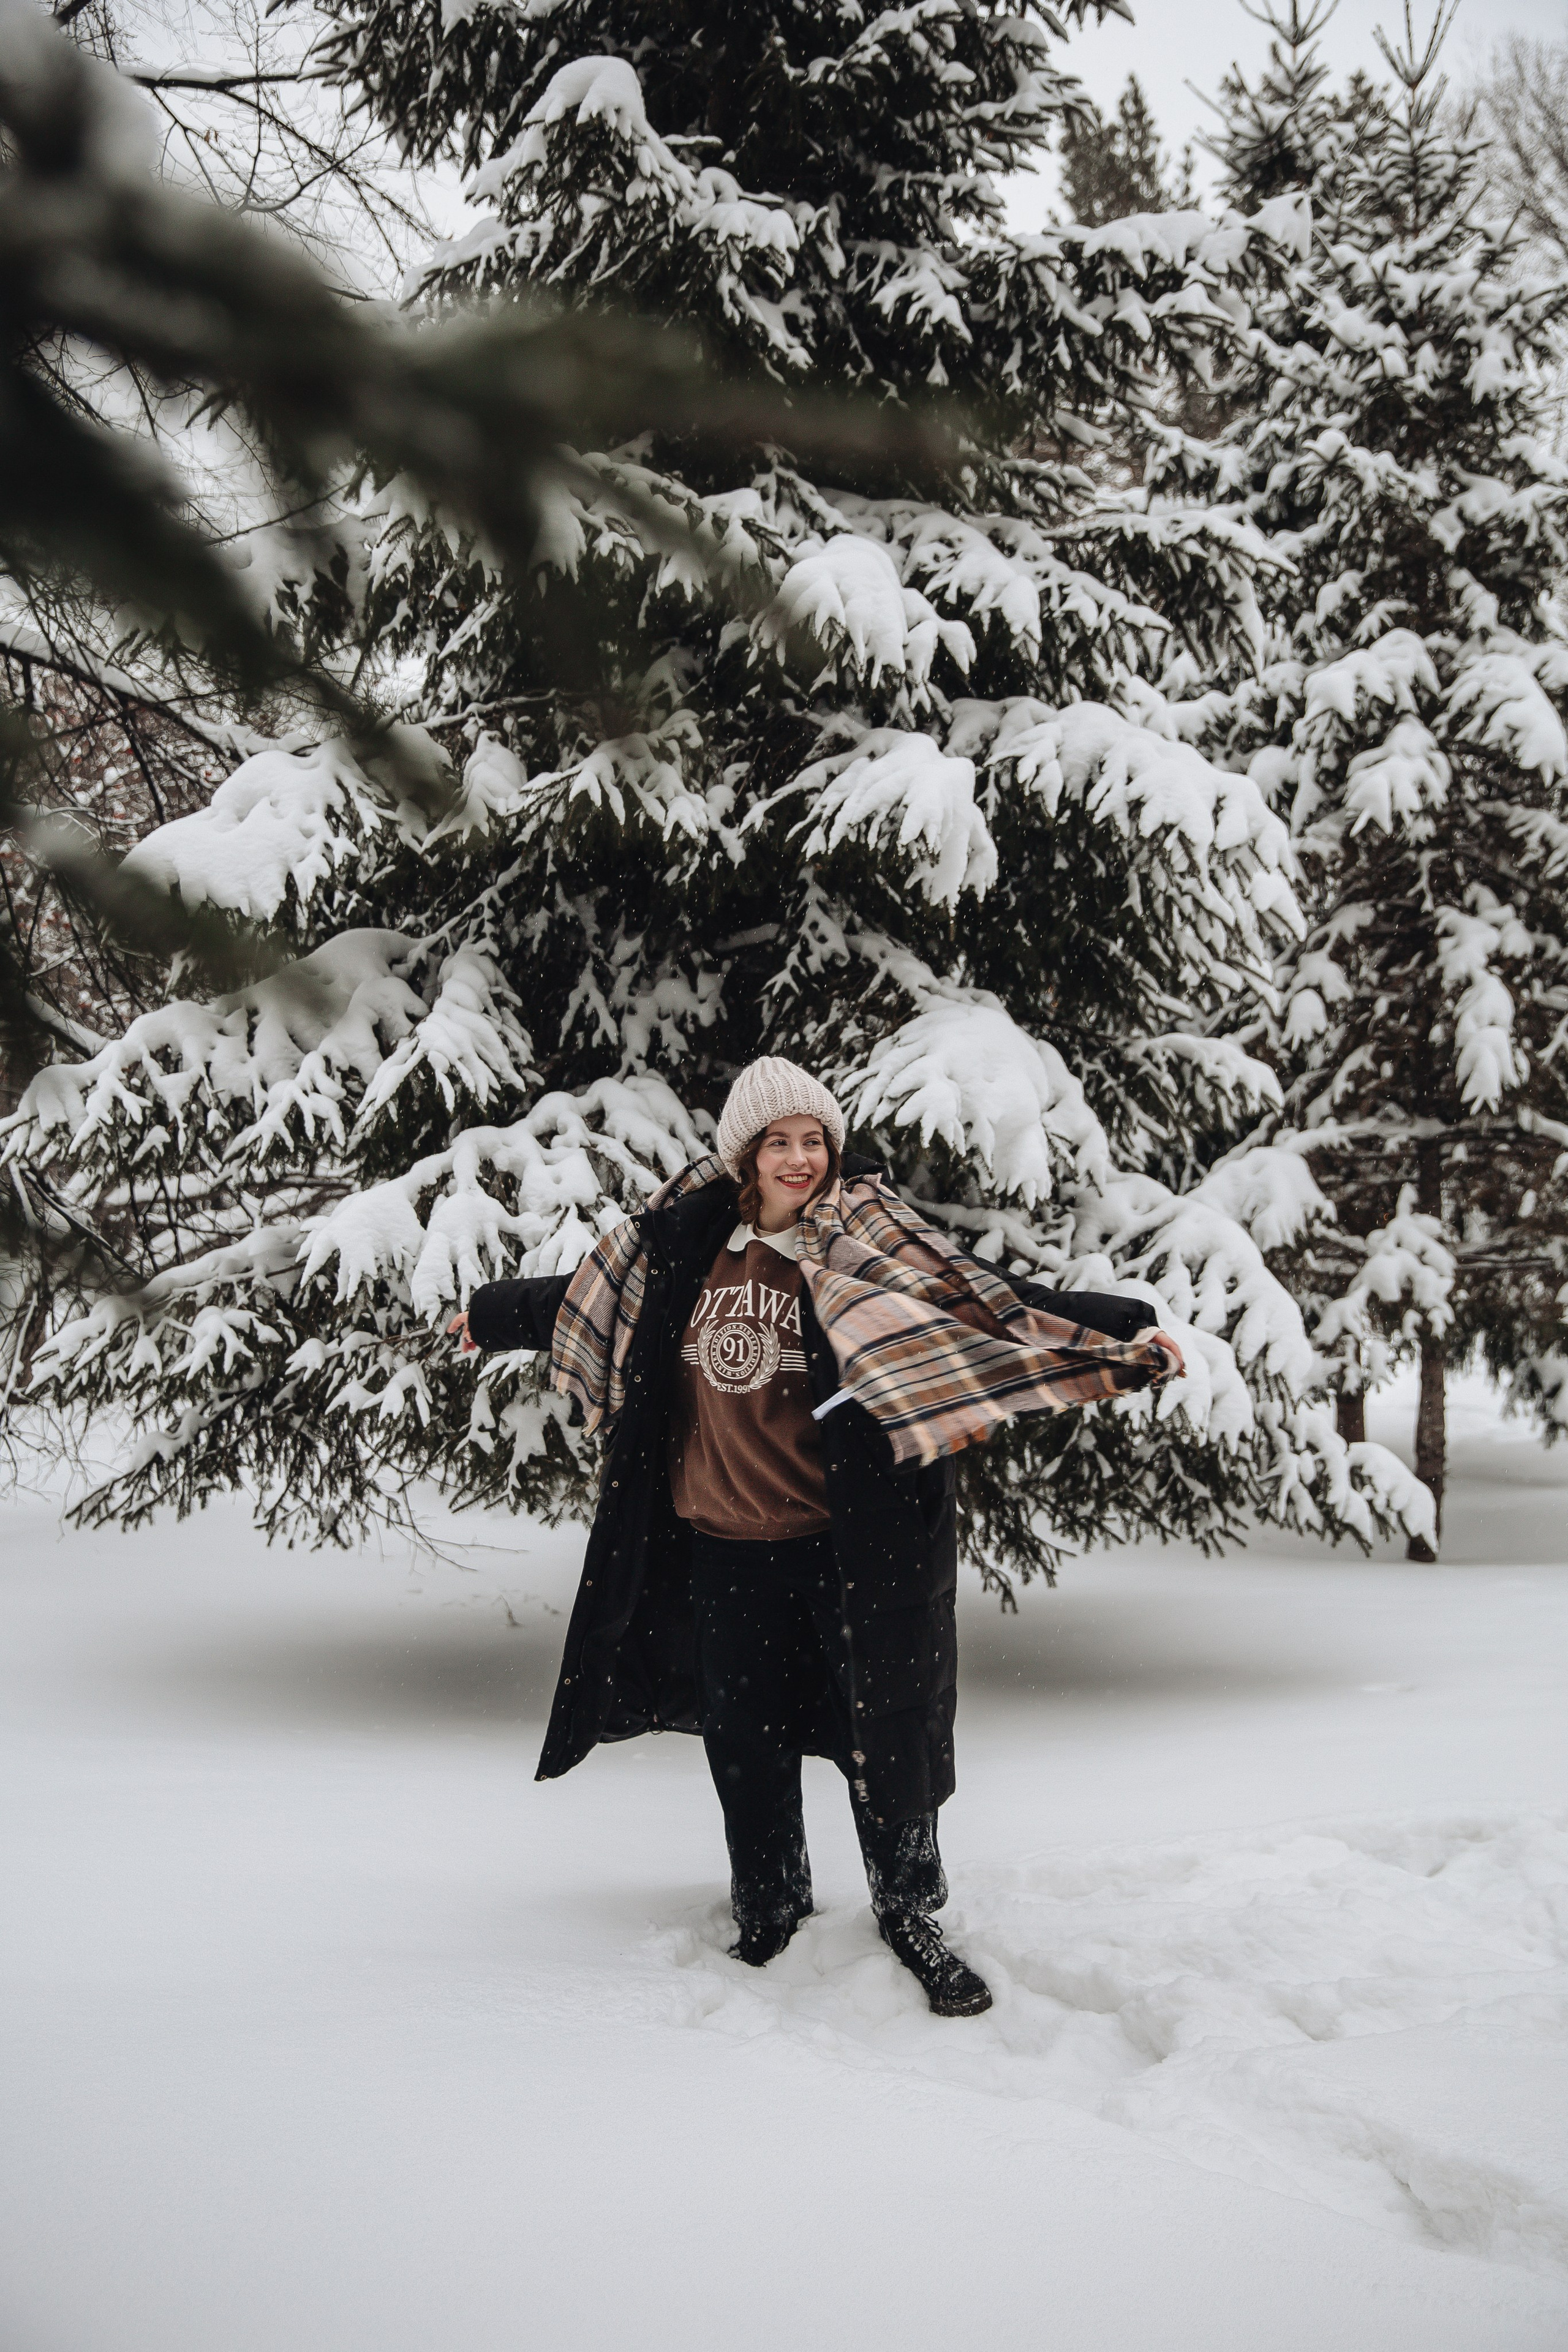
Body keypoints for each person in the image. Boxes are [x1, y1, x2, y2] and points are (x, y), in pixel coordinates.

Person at [451, 1058, 1183, 2018]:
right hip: (721, 1550)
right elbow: (589, 1296)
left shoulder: (872, 1244)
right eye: (779, 1141)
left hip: (853, 1549)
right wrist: (492, 1313)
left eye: (814, 1141)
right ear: (744, 1156)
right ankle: (770, 1911)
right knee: (745, 1747)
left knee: (888, 1739)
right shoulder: (684, 1244)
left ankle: (912, 1916)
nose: (800, 1158)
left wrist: (1124, 1335)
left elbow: (990, 1302)